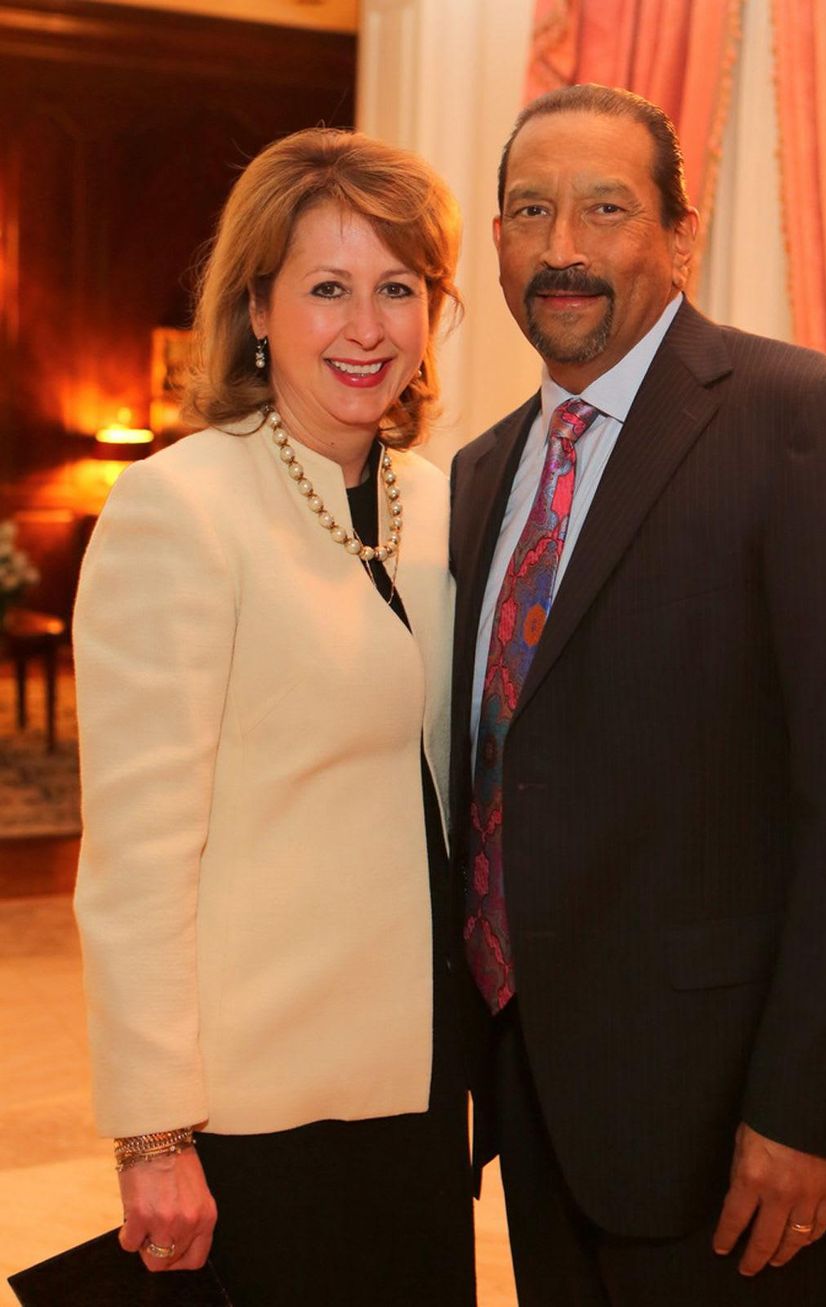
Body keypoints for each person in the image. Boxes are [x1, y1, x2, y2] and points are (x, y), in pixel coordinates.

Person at [449, 83, 826, 1306]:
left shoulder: (810, 427)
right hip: (540, 1108)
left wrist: (808, 1111)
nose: (561, 247)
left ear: (677, 231)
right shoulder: (478, 473)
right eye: (529, 210)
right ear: (498, 240)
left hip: (732, 1130)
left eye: (603, 208)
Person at [73, 126, 475, 1307]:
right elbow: (139, 854)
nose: (367, 328)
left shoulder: (445, 503)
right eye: (327, 288)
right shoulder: (180, 507)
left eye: (398, 288)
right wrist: (152, 1132)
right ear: (257, 305)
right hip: (259, 1099)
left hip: (415, 1079)